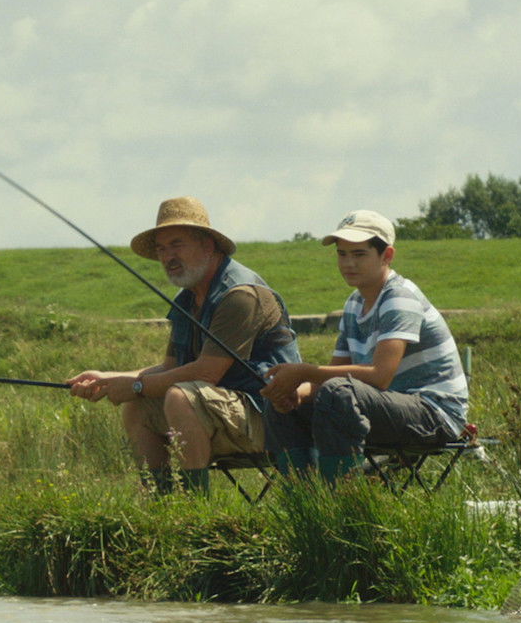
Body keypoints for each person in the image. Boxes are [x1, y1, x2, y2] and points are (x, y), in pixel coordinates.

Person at [68, 196, 300, 494]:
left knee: (179, 396)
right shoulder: (187, 300)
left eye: (177, 244)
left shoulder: (240, 294)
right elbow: (171, 368)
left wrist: (136, 385)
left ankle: (194, 510)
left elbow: (206, 373)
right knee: (137, 407)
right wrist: (109, 379)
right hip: (222, 410)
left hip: (270, 414)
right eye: (162, 249)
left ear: (208, 245)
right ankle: (162, 503)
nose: (167, 257)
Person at [259, 210, 469, 482]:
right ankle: (306, 502)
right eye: (342, 254)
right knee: (279, 402)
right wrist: (295, 393)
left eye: (359, 254)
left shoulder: (399, 298)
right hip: (387, 407)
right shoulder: (353, 304)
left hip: (434, 414)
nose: (348, 263)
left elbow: (380, 376)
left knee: (339, 392)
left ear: (387, 256)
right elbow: (330, 377)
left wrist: (303, 371)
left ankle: (343, 502)